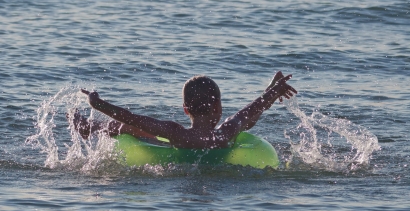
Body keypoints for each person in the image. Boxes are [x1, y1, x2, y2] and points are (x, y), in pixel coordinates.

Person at [72, 71, 297, 149]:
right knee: (246, 121)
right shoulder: (225, 131)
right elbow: (252, 110)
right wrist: (273, 91)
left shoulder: (176, 132)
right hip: (219, 147)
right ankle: (89, 127)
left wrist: (98, 104)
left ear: (185, 110)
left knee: (133, 128)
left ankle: (89, 127)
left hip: (178, 148)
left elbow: (131, 117)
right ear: (218, 107)